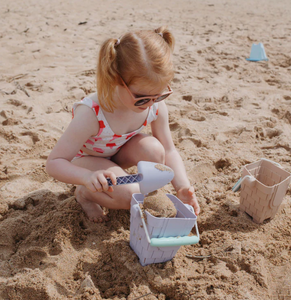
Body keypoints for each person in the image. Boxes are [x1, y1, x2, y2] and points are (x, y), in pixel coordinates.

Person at [46, 26, 200, 223]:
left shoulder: (154, 104)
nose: (151, 103)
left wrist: (182, 187)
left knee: (154, 150)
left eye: (159, 94)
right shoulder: (92, 114)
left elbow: (169, 151)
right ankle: (84, 195)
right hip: (88, 161)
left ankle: (130, 191)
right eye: (142, 98)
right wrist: (86, 177)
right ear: (116, 80)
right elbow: (54, 162)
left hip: (118, 155)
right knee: (129, 196)